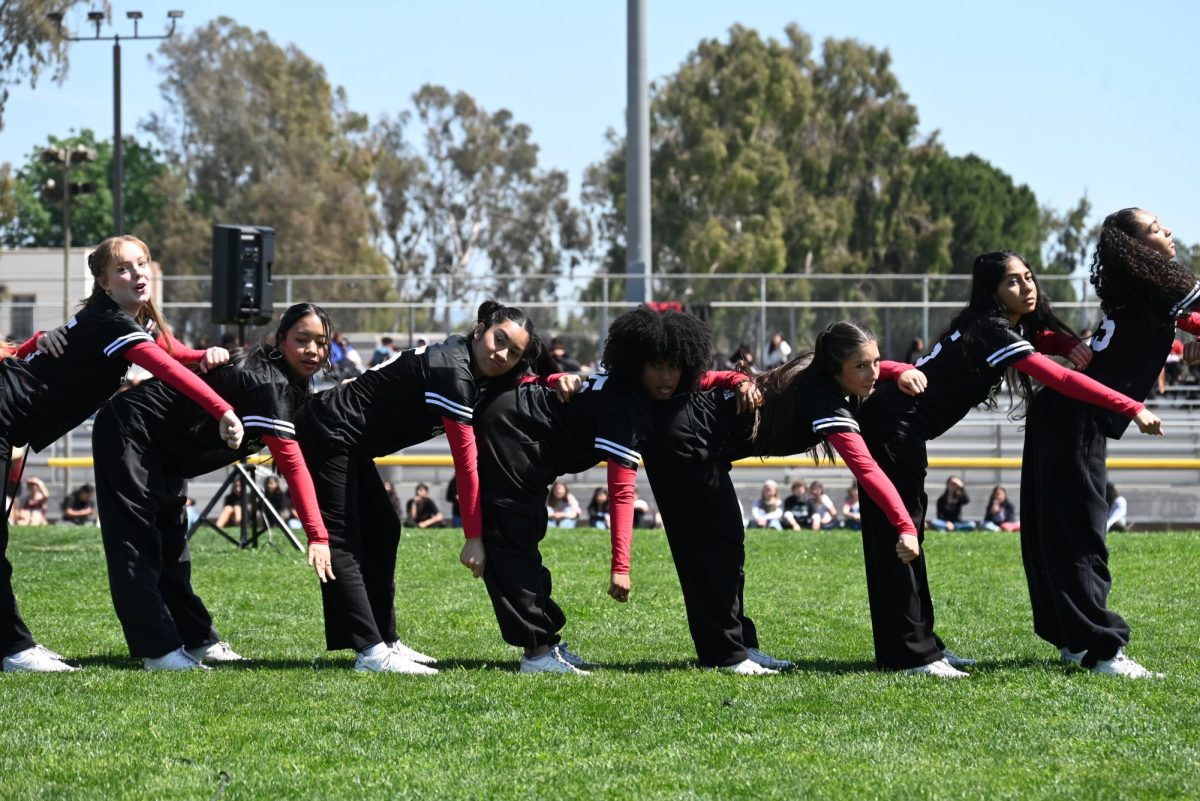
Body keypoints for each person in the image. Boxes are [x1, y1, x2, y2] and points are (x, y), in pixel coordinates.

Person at [857, 249, 1160, 679]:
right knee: (900, 539)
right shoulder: (993, 332)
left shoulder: (994, 326)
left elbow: (1045, 340)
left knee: (909, 536)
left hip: (900, 427)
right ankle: (911, 654)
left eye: (1028, 276)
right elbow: (1059, 378)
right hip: (892, 426)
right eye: (1012, 282)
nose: (1027, 286)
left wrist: (1067, 342)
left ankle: (920, 645)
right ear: (992, 292)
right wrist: (1130, 406)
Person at [1, 234, 242, 674]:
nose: (138, 273)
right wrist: (221, 407)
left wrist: (204, 355)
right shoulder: (111, 321)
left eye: (143, 263)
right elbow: (163, 366)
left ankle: (13, 647)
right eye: (125, 268)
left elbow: (171, 352)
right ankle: (14, 650)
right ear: (104, 282)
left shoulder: (115, 319)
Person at [642, 318, 927, 675]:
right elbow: (865, 468)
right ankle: (726, 655)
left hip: (700, 440)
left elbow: (871, 366)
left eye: (876, 361)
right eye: (861, 366)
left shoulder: (821, 370)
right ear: (836, 367)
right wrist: (905, 526)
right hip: (681, 440)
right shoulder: (822, 397)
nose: (873, 372)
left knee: (728, 543)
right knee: (710, 548)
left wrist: (899, 371)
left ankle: (739, 645)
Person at [298, 300, 543, 674]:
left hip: (349, 442)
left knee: (383, 529)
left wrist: (559, 380)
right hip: (328, 433)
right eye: (499, 339)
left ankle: (386, 639)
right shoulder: (453, 370)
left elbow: (531, 378)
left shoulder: (475, 367)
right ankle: (370, 651)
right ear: (479, 331)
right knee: (344, 542)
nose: (503, 354)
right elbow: (466, 464)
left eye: (514, 351)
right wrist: (473, 537)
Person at [91, 302, 336, 670]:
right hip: (130, 430)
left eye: (322, 342)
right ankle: (157, 651)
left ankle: (197, 639)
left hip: (163, 448)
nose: (313, 351)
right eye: (302, 340)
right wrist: (317, 535)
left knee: (172, 544)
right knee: (138, 542)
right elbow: (293, 463)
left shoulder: (291, 384)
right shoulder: (268, 382)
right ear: (280, 340)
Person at [1023, 209, 1196, 679]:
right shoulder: (1157, 287)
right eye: (1157, 228)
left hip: (1061, 412)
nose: (1169, 231)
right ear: (1136, 246)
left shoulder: (1137, 287)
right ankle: (1102, 650)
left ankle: (1075, 640)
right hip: (1073, 417)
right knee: (1081, 533)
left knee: (1057, 533)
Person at [467, 306, 685, 674]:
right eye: (656, 366)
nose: (666, 376)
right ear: (636, 365)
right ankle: (536, 653)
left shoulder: (629, 394)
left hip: (529, 447)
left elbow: (705, 378)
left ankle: (546, 641)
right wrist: (621, 567)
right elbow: (620, 492)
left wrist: (735, 380)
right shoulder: (627, 407)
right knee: (512, 544)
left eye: (675, 366)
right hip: (510, 433)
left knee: (526, 537)